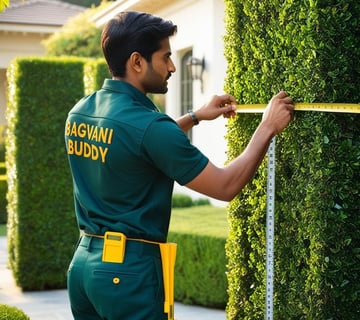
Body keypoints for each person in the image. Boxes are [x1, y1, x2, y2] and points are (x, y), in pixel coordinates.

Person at [64, 11, 294, 320]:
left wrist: (196, 116)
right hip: (127, 275)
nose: (172, 67)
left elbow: (136, 144)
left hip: (83, 267)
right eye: (166, 57)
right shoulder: (150, 127)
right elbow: (225, 186)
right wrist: (267, 128)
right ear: (136, 62)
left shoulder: (81, 112)